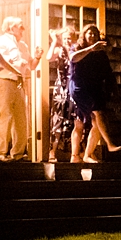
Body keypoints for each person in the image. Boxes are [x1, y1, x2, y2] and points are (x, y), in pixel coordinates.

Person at [0, 16, 42, 161]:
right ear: (11, 28)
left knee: (21, 118)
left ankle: (18, 153)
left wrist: (37, 58)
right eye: (20, 26)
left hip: (19, 82)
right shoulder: (1, 42)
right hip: (5, 80)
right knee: (4, 116)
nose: (23, 29)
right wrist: (16, 65)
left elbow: (31, 66)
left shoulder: (23, 46)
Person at [68, 24, 120, 162]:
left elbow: (108, 74)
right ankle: (76, 154)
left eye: (95, 34)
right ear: (83, 35)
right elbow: (73, 58)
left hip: (94, 89)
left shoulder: (101, 55)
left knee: (98, 122)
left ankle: (88, 154)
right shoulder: (77, 48)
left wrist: (113, 92)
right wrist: (90, 49)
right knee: (81, 122)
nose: (92, 35)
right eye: (89, 33)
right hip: (80, 89)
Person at [46, 23, 78, 162]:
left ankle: (74, 151)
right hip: (61, 87)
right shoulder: (59, 50)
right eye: (64, 38)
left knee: (73, 117)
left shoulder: (76, 50)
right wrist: (54, 41)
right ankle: (52, 151)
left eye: (69, 38)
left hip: (74, 86)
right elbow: (48, 58)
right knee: (58, 117)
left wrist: (69, 47)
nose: (67, 40)